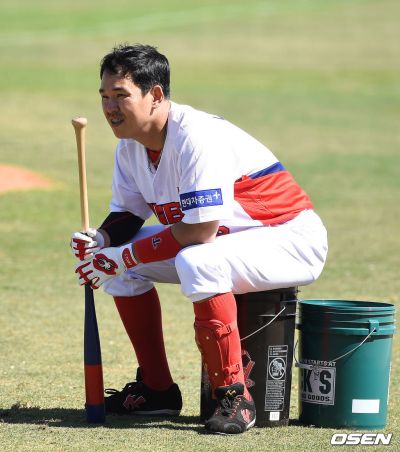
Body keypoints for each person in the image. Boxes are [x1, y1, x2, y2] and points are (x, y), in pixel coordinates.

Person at [71, 43, 328, 435]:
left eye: (121, 95)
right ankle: (157, 390)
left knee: (196, 260)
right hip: (230, 241)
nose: (110, 107)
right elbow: (129, 215)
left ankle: (235, 397)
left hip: (288, 238)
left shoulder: (196, 137)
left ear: (156, 95)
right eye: (104, 96)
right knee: (119, 262)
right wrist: (101, 240)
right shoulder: (130, 146)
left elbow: (199, 232)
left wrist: (126, 255)